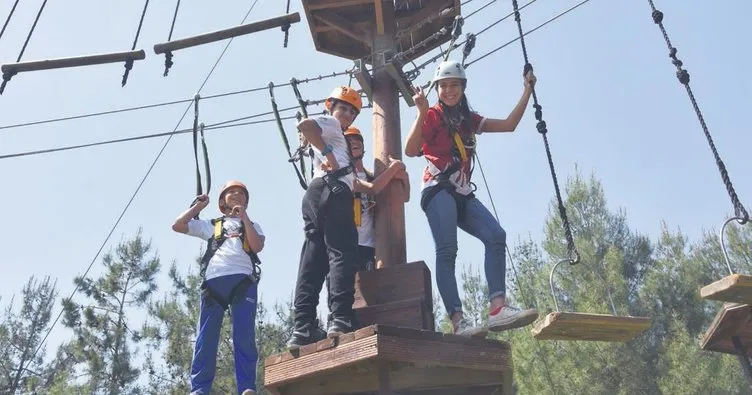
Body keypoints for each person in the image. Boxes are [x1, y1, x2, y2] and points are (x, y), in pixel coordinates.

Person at [403, 60, 539, 337]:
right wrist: (420, 112)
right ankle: (458, 321)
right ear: (437, 89)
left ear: (463, 88)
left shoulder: (468, 119)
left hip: (461, 191)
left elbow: (509, 125)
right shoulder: (431, 115)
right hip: (438, 188)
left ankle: (498, 309)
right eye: (443, 86)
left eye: (454, 85)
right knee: (448, 250)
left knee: (495, 235)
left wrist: (527, 91)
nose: (449, 90)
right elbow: (410, 149)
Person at [287, 87, 406, 349]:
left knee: (313, 259)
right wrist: (329, 152)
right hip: (334, 190)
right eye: (343, 108)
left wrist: (393, 169)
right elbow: (305, 125)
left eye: (352, 112)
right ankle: (339, 318)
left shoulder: (336, 137)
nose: (348, 115)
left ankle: (302, 326)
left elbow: (371, 188)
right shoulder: (330, 124)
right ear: (330, 105)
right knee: (342, 253)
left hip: (316, 194)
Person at [172, 180, 264, 395]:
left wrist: (244, 218)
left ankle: (247, 387)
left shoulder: (252, 225)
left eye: (241, 193)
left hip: (243, 282)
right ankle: (200, 390)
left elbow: (257, 245)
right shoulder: (212, 225)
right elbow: (178, 225)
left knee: (244, 337)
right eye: (231, 193)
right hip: (214, 284)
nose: (236, 195)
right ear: (222, 201)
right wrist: (197, 207)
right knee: (206, 338)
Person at [343, 126, 410, 272]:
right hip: (346, 244)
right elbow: (373, 188)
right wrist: (394, 168)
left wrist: (404, 176)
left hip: (368, 247)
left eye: (357, 139)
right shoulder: (345, 176)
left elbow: (405, 197)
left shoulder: (371, 176)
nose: (355, 142)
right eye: (349, 141)